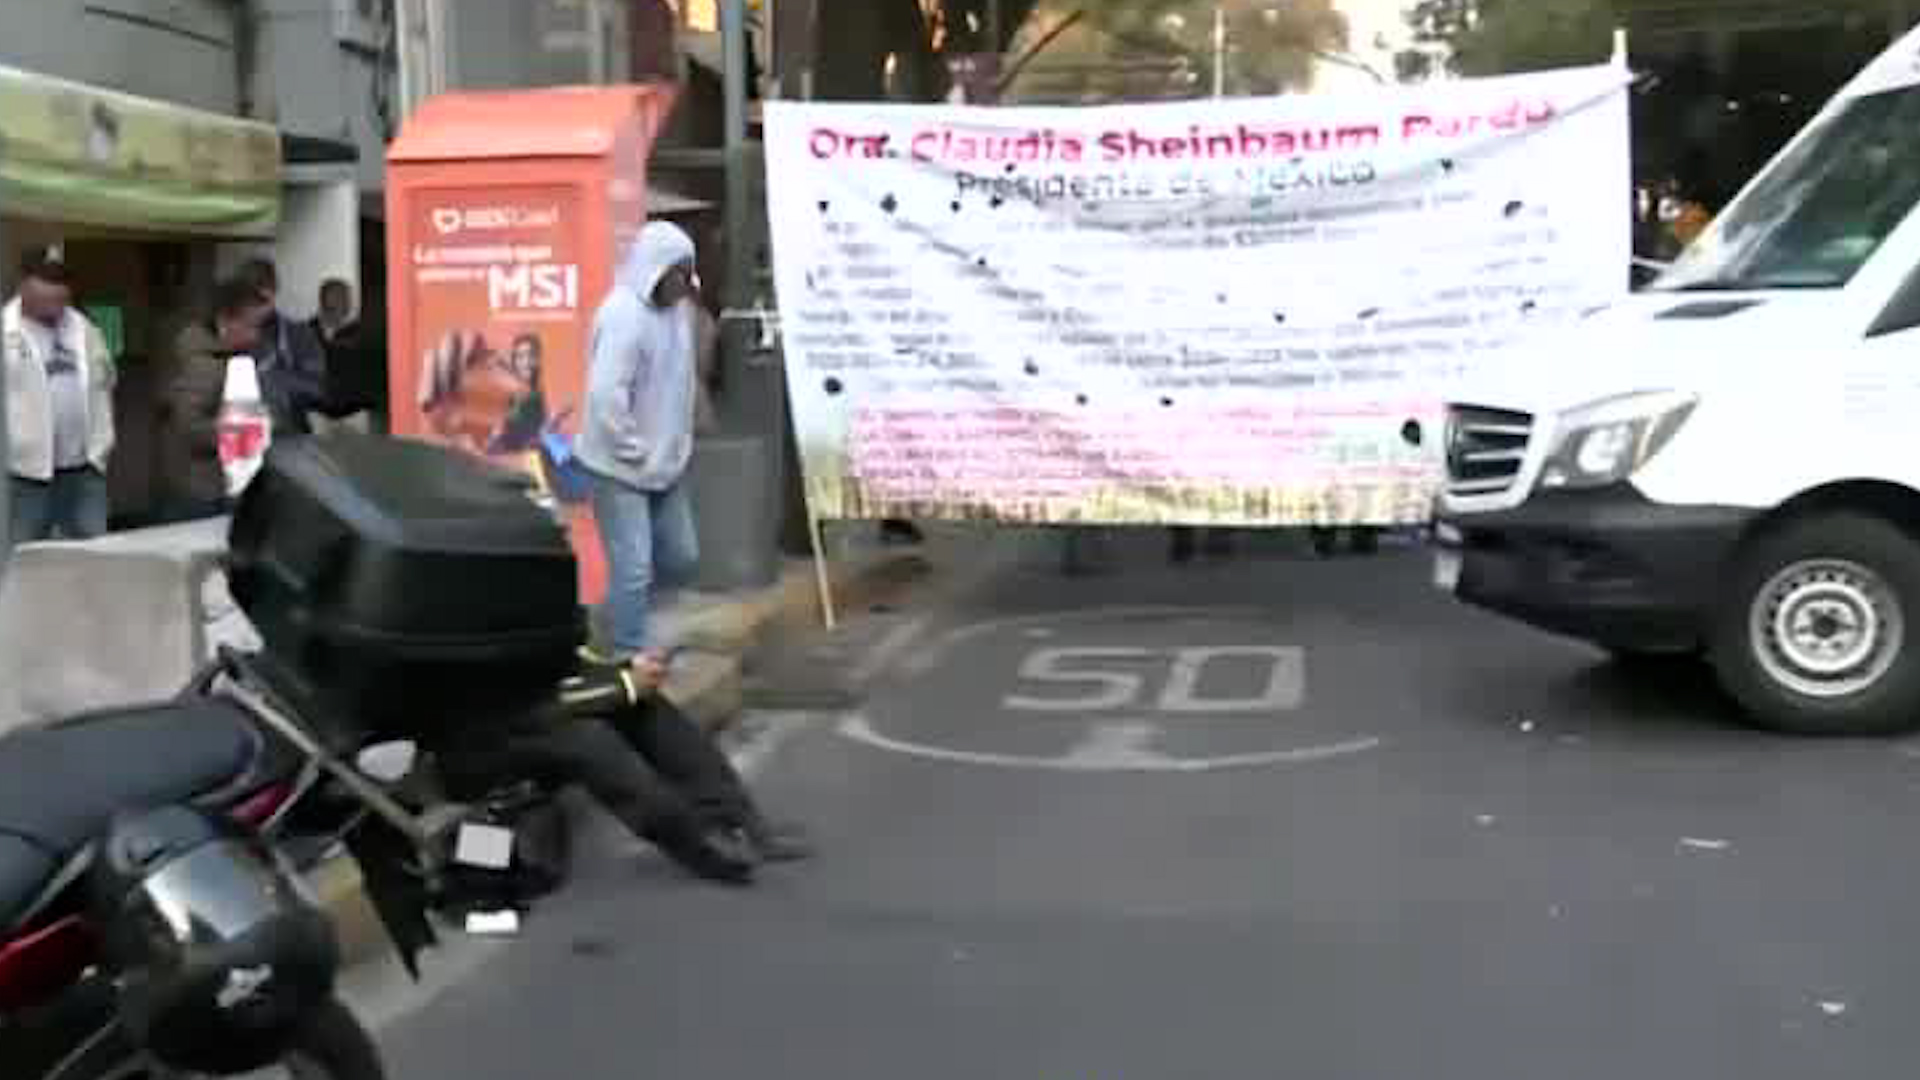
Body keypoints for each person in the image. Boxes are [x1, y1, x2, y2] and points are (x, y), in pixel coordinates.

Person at [440, 654, 811, 886]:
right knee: (587, 735)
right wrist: (620, 685)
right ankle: (693, 841)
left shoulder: (522, 590)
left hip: (525, 721)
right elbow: (508, 707)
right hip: (469, 749)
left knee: (641, 703)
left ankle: (734, 817)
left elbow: (570, 664)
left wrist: (626, 672)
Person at [577, 221, 704, 666]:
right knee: (633, 568)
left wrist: (677, 441)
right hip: (619, 466)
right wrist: (635, 450)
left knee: (682, 556)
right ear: (657, 269)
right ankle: (628, 654)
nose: (688, 284)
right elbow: (604, 395)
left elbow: (680, 381)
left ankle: (607, 625)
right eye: (681, 274)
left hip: (663, 462)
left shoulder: (677, 313)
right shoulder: (623, 315)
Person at [5, 249, 116, 542]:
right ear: (24, 287)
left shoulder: (86, 329)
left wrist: (102, 449)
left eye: (60, 300)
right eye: (46, 300)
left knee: (96, 556)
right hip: (23, 475)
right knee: (22, 561)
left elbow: (106, 384)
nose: (55, 308)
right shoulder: (6, 332)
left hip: (84, 469)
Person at [160, 277, 273, 522]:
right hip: (204, 492)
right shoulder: (203, 364)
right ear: (224, 322)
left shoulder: (239, 359)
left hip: (232, 484)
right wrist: (243, 430)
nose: (256, 336)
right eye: (250, 326)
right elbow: (189, 428)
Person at [236, 257, 329, 436]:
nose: (255, 306)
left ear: (274, 290)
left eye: (262, 298)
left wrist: (269, 379)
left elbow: (318, 389)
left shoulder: (299, 336)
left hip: (289, 437)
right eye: (249, 297)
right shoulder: (226, 335)